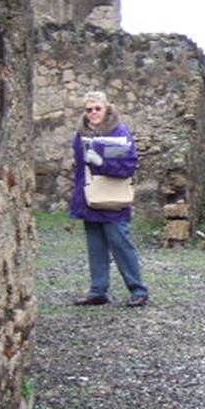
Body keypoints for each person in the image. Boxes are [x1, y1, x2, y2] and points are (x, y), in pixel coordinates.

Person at [69, 91, 150, 307]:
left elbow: (127, 165)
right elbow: (79, 168)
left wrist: (100, 162)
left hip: (112, 197)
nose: (93, 113)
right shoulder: (81, 133)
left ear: (107, 109)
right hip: (90, 196)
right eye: (89, 109)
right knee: (95, 246)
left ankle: (138, 290)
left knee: (121, 244)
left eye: (97, 108)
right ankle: (98, 290)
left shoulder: (118, 133)